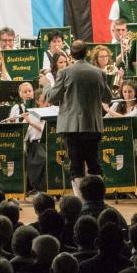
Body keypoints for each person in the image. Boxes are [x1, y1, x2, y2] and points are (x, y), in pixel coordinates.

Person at [45, 40, 112, 197]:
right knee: (94, 163)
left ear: (71, 54)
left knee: (76, 165)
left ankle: (81, 201)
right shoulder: (99, 72)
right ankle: (97, 198)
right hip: (93, 125)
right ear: (86, 53)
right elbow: (108, 97)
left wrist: (47, 85)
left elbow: (53, 98)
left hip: (73, 127)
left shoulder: (64, 72)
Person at [9, 83, 47, 194]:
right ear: (20, 94)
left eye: (30, 91)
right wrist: (21, 120)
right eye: (25, 92)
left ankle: (41, 187)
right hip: (26, 141)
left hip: (39, 142)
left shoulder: (40, 108)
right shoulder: (17, 108)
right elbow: (15, 126)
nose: (28, 94)